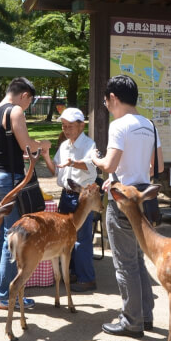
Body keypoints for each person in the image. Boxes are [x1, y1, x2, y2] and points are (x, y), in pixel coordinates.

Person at [91, 75, 164, 338]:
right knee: (138, 260)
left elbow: (110, 165)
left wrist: (95, 159)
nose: (106, 105)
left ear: (113, 98)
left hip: (122, 202)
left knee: (125, 263)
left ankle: (131, 320)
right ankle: (145, 315)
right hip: (144, 199)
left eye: (106, 100)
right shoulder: (149, 125)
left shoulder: (118, 125)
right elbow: (159, 166)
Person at [0, 77, 51, 310]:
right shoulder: (16, 111)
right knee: (13, 236)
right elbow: (26, 145)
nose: (27, 107)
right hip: (11, 180)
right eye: (30, 102)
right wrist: (44, 145)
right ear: (24, 96)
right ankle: (5, 294)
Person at [46, 107, 98, 292]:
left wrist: (73, 163)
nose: (66, 130)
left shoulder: (89, 145)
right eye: (64, 126)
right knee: (66, 236)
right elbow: (56, 170)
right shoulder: (64, 145)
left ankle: (87, 278)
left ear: (81, 126)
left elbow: (92, 167)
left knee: (81, 238)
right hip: (66, 195)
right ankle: (73, 272)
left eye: (70, 126)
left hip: (82, 196)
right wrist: (44, 155)